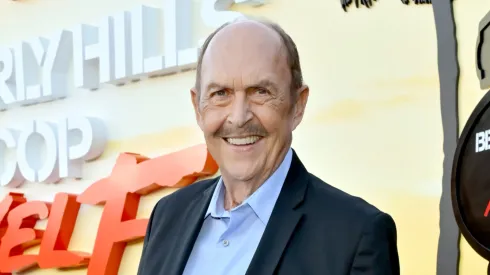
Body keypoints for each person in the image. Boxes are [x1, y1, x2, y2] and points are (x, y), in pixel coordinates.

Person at [137, 17, 399, 275]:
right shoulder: (167, 215)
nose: (239, 117)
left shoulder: (355, 235)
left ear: (298, 105)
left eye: (260, 92)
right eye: (220, 94)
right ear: (197, 107)